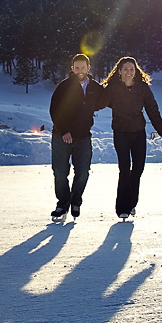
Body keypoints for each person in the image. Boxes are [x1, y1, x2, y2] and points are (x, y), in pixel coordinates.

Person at [98, 56, 162, 219]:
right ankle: (122, 207)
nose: (129, 72)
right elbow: (100, 103)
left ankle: (132, 203)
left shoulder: (143, 88)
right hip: (120, 132)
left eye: (132, 69)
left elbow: (152, 109)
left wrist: (161, 130)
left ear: (136, 72)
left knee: (138, 169)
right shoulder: (113, 88)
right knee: (124, 168)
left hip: (138, 132)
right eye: (125, 69)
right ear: (119, 72)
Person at [48, 54, 104, 220]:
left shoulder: (94, 87)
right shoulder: (64, 87)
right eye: (77, 68)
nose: (80, 71)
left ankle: (75, 201)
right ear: (72, 69)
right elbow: (54, 110)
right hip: (62, 136)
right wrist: (64, 130)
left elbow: (104, 100)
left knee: (83, 173)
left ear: (88, 68)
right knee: (60, 172)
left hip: (83, 137)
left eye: (83, 67)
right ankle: (62, 203)